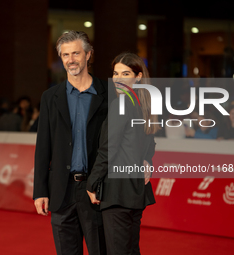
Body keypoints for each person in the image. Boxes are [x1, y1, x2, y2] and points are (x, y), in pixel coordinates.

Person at [33, 31, 109, 255]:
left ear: (88, 55)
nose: (70, 59)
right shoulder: (50, 97)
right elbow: (43, 146)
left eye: (76, 53)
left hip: (96, 191)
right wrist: (40, 191)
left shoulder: (109, 94)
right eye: (65, 55)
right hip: (61, 191)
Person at [86, 52, 156, 255]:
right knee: (131, 250)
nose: (118, 78)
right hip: (135, 191)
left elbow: (108, 148)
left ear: (138, 76)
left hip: (117, 191)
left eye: (125, 73)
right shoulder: (144, 105)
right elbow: (150, 143)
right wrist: (146, 160)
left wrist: (92, 182)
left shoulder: (122, 104)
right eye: (115, 73)